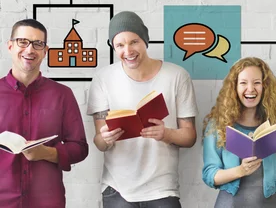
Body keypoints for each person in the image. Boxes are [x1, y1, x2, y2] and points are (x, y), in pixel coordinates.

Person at [87, 11, 198, 207]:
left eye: (134, 42)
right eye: (120, 45)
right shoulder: (103, 78)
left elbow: (190, 137)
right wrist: (105, 138)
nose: (127, 50)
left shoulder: (177, 76)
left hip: (162, 189)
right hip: (117, 189)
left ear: (145, 40)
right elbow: (99, 142)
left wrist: (167, 134)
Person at [0, 18, 88, 208]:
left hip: (47, 201)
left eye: (37, 44)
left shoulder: (62, 94)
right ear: (10, 46)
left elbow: (80, 148)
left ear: (45, 51)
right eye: (22, 42)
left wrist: (47, 153)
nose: (30, 50)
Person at [202, 57, 276, 207]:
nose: (251, 89)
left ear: (265, 87)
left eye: (257, 83)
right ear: (234, 87)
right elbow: (209, 174)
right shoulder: (217, 125)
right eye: (243, 83)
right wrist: (241, 170)